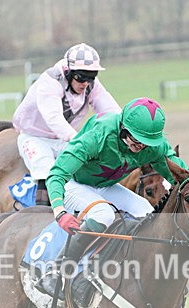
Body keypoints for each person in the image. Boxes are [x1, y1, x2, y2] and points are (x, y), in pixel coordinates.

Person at [37, 96, 188, 302]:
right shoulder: (99, 135)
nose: (142, 147)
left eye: (147, 143)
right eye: (137, 141)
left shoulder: (153, 145)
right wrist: (59, 212)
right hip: (73, 183)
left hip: (104, 185)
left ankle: (128, 271)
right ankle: (56, 270)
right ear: (123, 129)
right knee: (103, 213)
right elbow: (56, 175)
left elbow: (179, 173)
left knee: (147, 213)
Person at [12, 43, 120, 200]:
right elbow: (54, 118)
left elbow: (110, 110)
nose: (85, 83)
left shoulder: (90, 84)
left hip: (62, 139)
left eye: (91, 77)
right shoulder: (50, 81)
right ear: (69, 72)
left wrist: (124, 128)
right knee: (47, 171)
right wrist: (79, 140)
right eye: (81, 77)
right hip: (34, 137)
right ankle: (40, 211)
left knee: (86, 168)